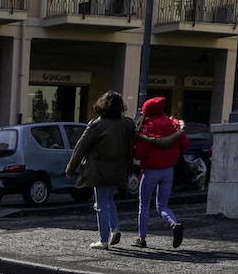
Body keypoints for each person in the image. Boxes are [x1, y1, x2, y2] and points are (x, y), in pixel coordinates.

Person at [65, 91, 135, 250]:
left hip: (100, 170)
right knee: (109, 199)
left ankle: (103, 240)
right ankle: (115, 229)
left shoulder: (96, 124)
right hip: (120, 169)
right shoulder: (128, 124)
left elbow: (80, 148)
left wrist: (70, 168)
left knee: (101, 204)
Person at [133, 96, 188, 249]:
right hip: (168, 170)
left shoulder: (146, 127)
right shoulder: (173, 124)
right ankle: (174, 223)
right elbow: (184, 144)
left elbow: (139, 154)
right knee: (162, 205)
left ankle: (142, 238)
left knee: (143, 205)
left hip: (150, 171)